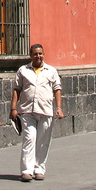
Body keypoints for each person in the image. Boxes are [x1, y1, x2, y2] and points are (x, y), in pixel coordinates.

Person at [10, 44, 64, 182]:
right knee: (29, 139)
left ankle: (39, 169)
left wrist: (59, 108)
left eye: (40, 54)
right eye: (35, 54)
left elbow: (57, 89)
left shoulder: (51, 71)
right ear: (30, 55)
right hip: (27, 110)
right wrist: (13, 108)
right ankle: (26, 171)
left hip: (45, 110)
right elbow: (17, 89)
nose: (38, 56)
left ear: (43, 54)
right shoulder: (23, 70)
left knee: (43, 141)